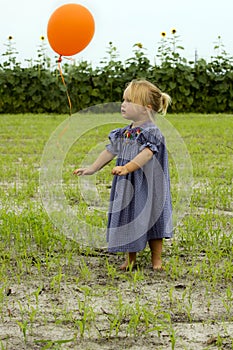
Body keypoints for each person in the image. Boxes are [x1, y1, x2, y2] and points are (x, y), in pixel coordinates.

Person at [73, 79, 173, 271]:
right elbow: (110, 151)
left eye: (129, 101)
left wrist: (128, 167)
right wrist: (92, 168)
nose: (123, 104)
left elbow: (146, 154)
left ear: (146, 108)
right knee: (130, 219)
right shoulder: (125, 133)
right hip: (130, 186)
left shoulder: (152, 132)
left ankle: (157, 260)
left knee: (154, 220)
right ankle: (131, 259)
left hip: (150, 185)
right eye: (123, 99)